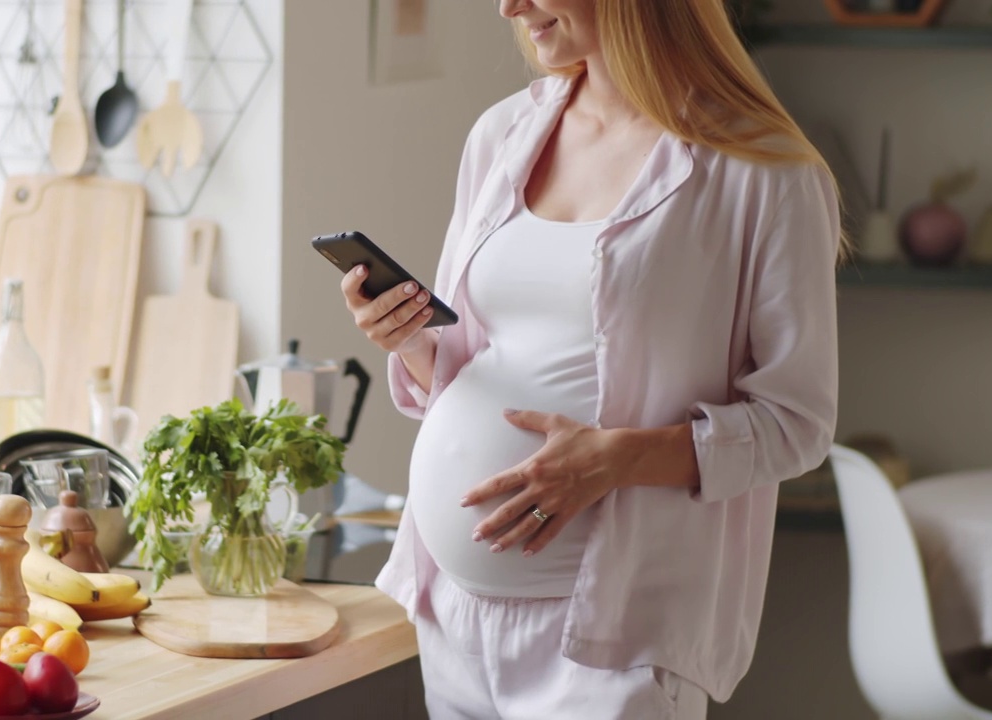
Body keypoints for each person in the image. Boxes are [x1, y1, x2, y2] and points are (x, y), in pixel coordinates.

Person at [337, 1, 842, 718]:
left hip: (613, 643)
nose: (508, 6)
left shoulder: (763, 169)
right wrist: (409, 339)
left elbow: (798, 423)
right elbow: (470, 365)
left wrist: (616, 459)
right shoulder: (502, 134)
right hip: (455, 620)